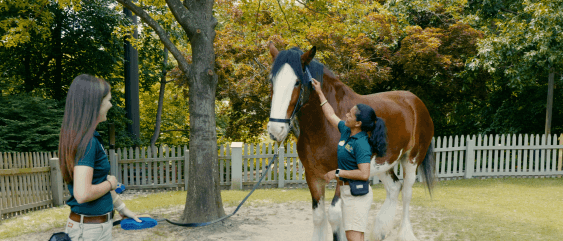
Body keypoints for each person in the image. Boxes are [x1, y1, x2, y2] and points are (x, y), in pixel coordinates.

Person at [59, 74, 141, 241]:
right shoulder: (87, 142)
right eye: (108, 100)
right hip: (89, 231)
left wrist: (122, 208)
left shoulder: (85, 138)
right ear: (95, 104)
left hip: (93, 227)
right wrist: (110, 183)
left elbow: (95, 183)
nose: (111, 105)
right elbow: (82, 194)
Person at [311, 78, 387, 241]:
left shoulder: (361, 144)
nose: (346, 114)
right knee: (355, 237)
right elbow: (330, 115)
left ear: (358, 123)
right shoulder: (347, 131)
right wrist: (320, 93)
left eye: (350, 114)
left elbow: (364, 174)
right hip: (347, 192)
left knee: (352, 237)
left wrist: (337, 172)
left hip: (356, 195)